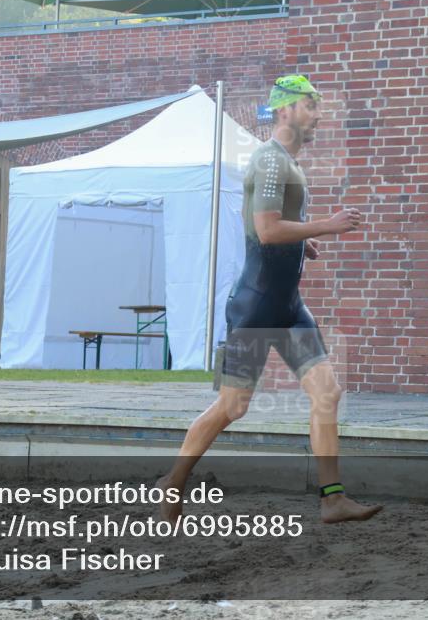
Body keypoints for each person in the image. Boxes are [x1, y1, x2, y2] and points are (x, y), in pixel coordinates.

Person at [158, 75, 382, 524]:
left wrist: (303, 244)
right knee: (232, 406)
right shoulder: (272, 160)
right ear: (285, 110)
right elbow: (266, 229)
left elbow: (271, 225)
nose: (318, 114)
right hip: (256, 307)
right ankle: (173, 480)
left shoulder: (288, 164)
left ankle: (332, 499)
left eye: (318, 105)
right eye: (309, 105)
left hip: (288, 306)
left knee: (327, 392)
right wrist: (326, 226)